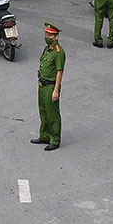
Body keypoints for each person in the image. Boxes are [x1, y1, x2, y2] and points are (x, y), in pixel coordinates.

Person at [31, 23, 64, 151]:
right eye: (46, 34)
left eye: (50, 35)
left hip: (51, 86)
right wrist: (39, 83)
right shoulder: (47, 49)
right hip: (42, 84)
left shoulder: (58, 53)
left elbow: (59, 72)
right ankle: (44, 136)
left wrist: (56, 90)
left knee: (52, 114)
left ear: (56, 37)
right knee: (43, 112)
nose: (47, 36)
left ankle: (55, 140)